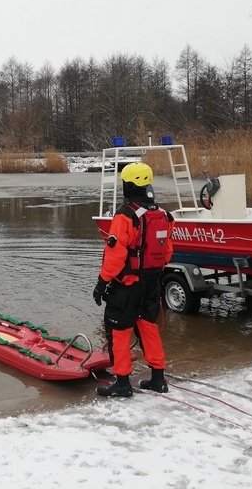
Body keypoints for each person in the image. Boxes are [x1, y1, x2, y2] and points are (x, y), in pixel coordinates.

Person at [92, 162, 174, 397]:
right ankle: (158, 378)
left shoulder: (126, 215)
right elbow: (167, 252)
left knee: (118, 331)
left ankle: (122, 383)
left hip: (127, 285)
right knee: (148, 328)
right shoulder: (163, 215)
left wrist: (101, 283)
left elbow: (115, 254)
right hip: (152, 284)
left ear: (128, 186)